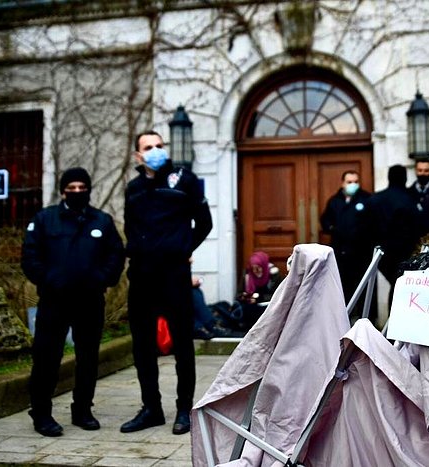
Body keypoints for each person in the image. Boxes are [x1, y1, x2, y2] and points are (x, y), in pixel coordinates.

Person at [21, 167, 125, 437]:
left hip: (90, 301)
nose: (77, 191)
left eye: (82, 187)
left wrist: (102, 278)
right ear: (63, 190)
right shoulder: (45, 220)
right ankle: (41, 413)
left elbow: (116, 254)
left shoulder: (101, 221)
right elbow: (30, 257)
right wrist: (49, 280)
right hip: (54, 301)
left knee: (88, 358)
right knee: (47, 357)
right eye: (72, 187)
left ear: (88, 190)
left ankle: (82, 410)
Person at [122, 131, 212, 435]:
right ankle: (151, 408)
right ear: (138, 156)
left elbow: (205, 222)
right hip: (142, 276)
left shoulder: (185, 179)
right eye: (148, 147)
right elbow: (130, 228)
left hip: (174, 276)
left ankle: (184, 409)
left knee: (183, 344)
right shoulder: (133, 188)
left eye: (159, 146)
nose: (155, 151)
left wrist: (183, 248)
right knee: (142, 346)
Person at [320, 170, 376, 321]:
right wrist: (332, 228)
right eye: (349, 182)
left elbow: (374, 223)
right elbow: (325, 220)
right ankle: (342, 322)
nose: (353, 185)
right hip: (341, 254)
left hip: (361, 254)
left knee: (363, 290)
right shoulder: (335, 201)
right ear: (343, 183)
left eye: (356, 181)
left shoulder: (367, 199)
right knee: (342, 289)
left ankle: (366, 322)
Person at [365, 165, 421, 310]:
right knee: (399, 285)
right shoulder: (410, 200)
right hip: (405, 253)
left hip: (381, 254)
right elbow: (417, 228)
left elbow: (366, 228)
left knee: (396, 284)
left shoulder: (374, 200)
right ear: (405, 178)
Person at [233, 251, 282, 329]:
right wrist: (246, 297)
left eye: (258, 268)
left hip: (267, 306)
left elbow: (278, 295)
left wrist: (259, 298)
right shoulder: (247, 275)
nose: (256, 271)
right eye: (253, 269)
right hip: (251, 307)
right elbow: (239, 295)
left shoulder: (273, 275)